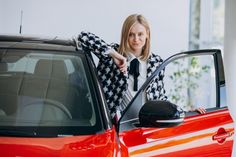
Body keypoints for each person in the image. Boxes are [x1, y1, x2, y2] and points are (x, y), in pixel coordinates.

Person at [77, 14, 206, 121]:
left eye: (140, 34)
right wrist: (114, 54)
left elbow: (160, 98)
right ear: (125, 35)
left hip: (147, 125)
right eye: (131, 34)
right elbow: (83, 37)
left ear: (147, 34)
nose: (136, 39)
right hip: (116, 125)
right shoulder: (112, 56)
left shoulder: (156, 62)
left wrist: (182, 111)